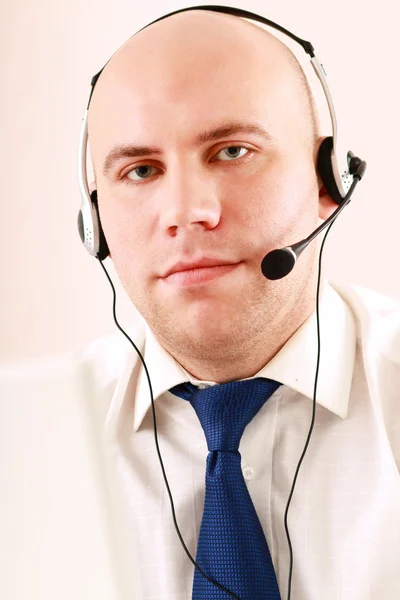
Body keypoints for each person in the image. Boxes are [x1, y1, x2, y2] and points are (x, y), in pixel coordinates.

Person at [11, 7, 400, 600]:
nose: (186, 211)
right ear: (96, 224)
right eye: (141, 170)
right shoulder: (24, 452)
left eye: (232, 152)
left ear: (330, 180)